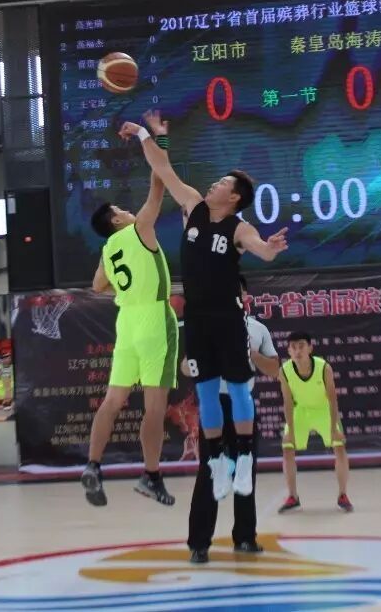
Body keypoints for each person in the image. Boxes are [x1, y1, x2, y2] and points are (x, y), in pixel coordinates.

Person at [119, 109, 287, 501]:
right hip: (197, 319)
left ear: (235, 197)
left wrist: (270, 248)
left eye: (223, 183)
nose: (215, 183)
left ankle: (244, 457)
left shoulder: (239, 227)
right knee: (207, 394)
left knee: (240, 391)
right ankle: (218, 462)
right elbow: (162, 168)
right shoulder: (193, 205)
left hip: (228, 317)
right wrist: (145, 134)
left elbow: (261, 250)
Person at [81, 172, 179, 506]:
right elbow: (157, 190)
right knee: (154, 407)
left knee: (112, 401)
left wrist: (128, 288)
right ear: (117, 219)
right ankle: (151, 476)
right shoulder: (140, 230)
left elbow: (97, 285)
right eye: (122, 209)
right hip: (154, 319)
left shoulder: (108, 248)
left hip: (127, 322)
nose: (128, 211)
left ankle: (93, 464)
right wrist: (156, 152)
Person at [187, 277, 280, 563]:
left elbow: (274, 369)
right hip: (215, 405)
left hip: (243, 409)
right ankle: (199, 544)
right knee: (209, 472)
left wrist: (248, 353)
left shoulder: (258, 329)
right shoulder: (204, 327)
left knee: (245, 471)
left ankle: (245, 537)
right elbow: (187, 365)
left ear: (245, 296)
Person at [277, 331, 351, 513]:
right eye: (293, 347)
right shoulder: (284, 370)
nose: (297, 351)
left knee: (339, 447)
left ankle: (343, 494)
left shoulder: (324, 367)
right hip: (300, 411)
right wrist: (290, 431)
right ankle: (293, 496)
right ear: (289, 351)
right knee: (287, 449)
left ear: (310, 348)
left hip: (323, 410)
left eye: (301, 346)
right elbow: (287, 402)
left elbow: (332, 399)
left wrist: (334, 428)